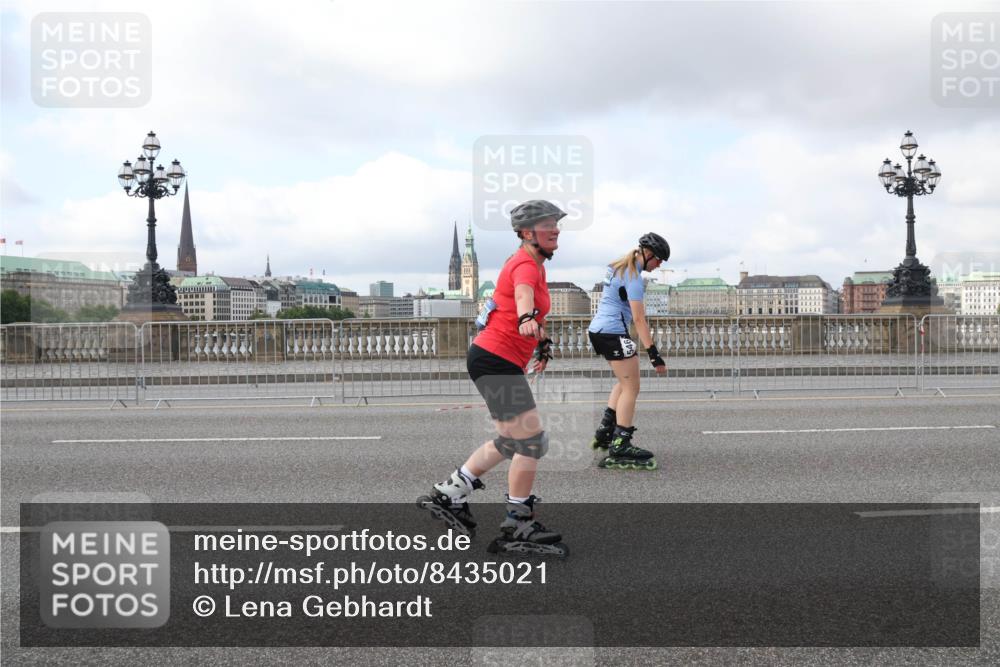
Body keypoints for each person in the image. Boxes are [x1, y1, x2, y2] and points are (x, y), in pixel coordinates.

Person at [418, 200, 568, 558]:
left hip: (493, 358)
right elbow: (521, 296)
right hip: (495, 359)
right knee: (531, 441)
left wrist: (541, 340)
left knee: (511, 440)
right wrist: (526, 317)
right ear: (528, 232)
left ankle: (451, 492)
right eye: (550, 225)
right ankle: (518, 521)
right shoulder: (524, 265)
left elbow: (522, 302)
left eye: (557, 225)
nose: (557, 230)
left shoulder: (533, 265)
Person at [587, 233, 671, 471]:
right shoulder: (634, 277)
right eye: (659, 259)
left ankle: (606, 431)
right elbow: (639, 319)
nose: (659, 265)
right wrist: (654, 354)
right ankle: (621, 444)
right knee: (632, 388)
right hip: (613, 332)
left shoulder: (617, 267)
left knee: (624, 384)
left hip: (599, 330)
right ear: (648, 254)